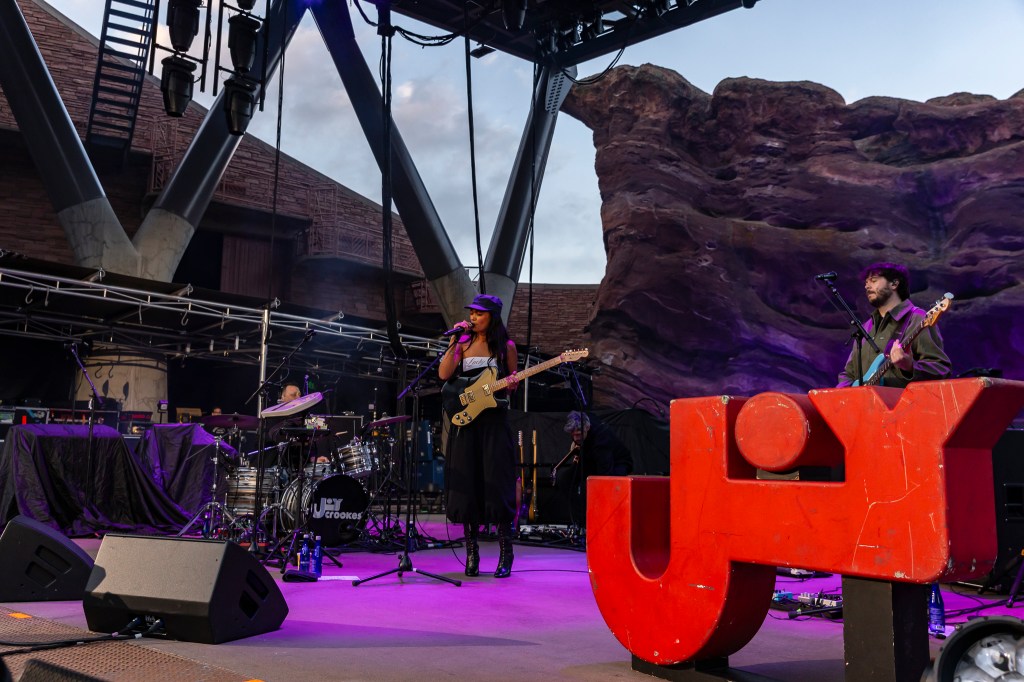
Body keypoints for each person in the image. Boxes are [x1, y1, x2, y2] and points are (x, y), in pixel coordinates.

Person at [440, 294, 519, 578]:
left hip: (493, 423)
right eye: (471, 313)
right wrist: (453, 344)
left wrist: (510, 385)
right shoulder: (463, 343)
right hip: (466, 425)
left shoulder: (505, 347)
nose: (473, 318)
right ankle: (471, 554)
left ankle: (505, 553)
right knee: (468, 487)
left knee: (496, 485)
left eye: (479, 314)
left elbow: (512, 386)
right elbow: (444, 374)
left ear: (493, 317)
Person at [837, 262, 951, 388]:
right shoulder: (865, 328)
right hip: (865, 406)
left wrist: (909, 366)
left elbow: (941, 369)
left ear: (894, 284)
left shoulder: (917, 318)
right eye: (866, 283)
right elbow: (848, 374)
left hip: (903, 405)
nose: (867, 286)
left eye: (873, 280)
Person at [553, 411, 633, 528]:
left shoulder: (601, 439)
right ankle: (580, 520)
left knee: (593, 486)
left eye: (579, 434)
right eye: (574, 435)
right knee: (565, 480)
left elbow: (605, 471)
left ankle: (596, 522)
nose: (576, 438)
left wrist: (594, 483)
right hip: (592, 459)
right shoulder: (585, 422)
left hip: (617, 462)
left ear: (587, 428)